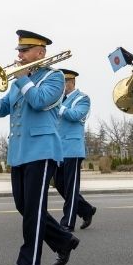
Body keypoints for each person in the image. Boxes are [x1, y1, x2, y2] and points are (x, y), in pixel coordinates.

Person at [0, 29, 78, 265]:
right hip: (20, 150)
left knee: (34, 208)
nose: (20, 55)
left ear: (41, 52)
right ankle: (63, 240)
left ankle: (30, 261)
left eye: (25, 51)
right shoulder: (20, 79)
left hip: (42, 149)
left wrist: (23, 78)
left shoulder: (54, 77)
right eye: (19, 51)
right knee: (23, 206)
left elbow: (39, 102)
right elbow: (3, 109)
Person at [56, 69, 97, 230]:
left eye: (63, 83)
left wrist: (58, 105)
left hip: (72, 149)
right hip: (57, 150)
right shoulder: (59, 99)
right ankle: (86, 210)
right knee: (61, 186)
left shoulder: (82, 98)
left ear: (71, 82)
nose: (60, 87)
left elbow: (75, 115)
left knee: (71, 187)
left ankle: (68, 222)